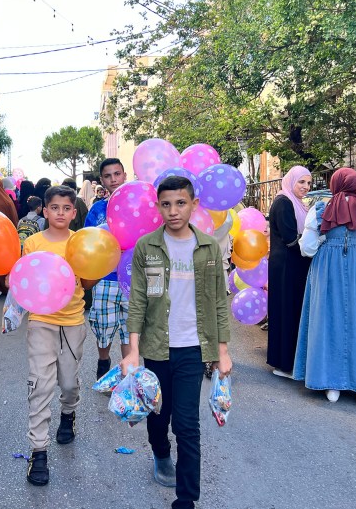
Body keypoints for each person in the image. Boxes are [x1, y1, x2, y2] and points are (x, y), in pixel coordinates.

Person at [121, 175, 232, 509]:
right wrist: (133, 350)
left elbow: (218, 302)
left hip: (193, 348)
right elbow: (138, 299)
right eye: (166, 204)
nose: (173, 211)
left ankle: (186, 499)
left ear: (194, 205)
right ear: (158, 207)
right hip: (156, 348)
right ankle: (160, 451)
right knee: (158, 415)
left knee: (187, 424)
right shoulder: (147, 247)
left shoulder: (209, 247)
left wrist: (222, 351)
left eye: (180, 203)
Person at [294, 168, 356, 407]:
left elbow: (306, 249)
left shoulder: (320, 210)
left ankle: (331, 384)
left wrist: (326, 242)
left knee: (328, 321)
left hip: (327, 269)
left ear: (334, 186)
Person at [20, 186, 97, 486]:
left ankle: (68, 413)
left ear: (74, 212)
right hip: (41, 321)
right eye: (54, 208)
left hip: (73, 321)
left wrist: (94, 267)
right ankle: (38, 451)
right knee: (40, 385)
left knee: (68, 382)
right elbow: (23, 280)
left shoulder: (81, 243)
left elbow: (87, 283)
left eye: (66, 208)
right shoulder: (34, 243)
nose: (60, 213)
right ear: (45, 211)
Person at [85, 158, 131, 378]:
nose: (113, 179)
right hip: (105, 279)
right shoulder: (97, 210)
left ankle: (128, 372)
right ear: (101, 180)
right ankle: (103, 361)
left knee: (130, 330)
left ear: (124, 175)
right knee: (103, 326)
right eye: (108, 175)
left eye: (117, 174)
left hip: (133, 278)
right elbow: (87, 242)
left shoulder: (139, 205)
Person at [266, 166, 312, 378]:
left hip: (292, 265)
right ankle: (284, 364)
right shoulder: (284, 202)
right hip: (286, 266)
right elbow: (291, 239)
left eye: (309, 183)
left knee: (291, 311)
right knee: (286, 312)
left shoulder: (296, 204)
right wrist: (312, 251)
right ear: (291, 181)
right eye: (301, 182)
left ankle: (288, 360)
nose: (306, 187)